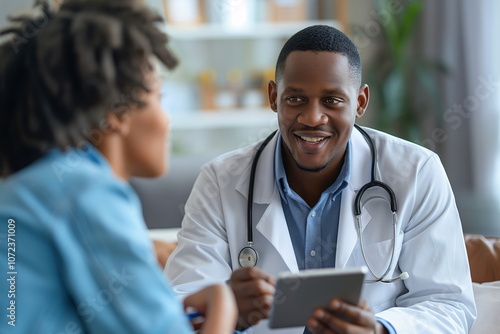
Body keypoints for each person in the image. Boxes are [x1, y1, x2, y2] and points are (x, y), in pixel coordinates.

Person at [165, 25, 476, 334]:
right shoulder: (219, 181)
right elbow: (180, 309)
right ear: (274, 97)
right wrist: (229, 308)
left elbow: (449, 305)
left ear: (360, 102)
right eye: (296, 99)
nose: (313, 118)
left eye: (332, 100)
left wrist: (380, 330)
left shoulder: (417, 173)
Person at [0, 1, 236, 333]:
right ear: (116, 113)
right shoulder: (85, 191)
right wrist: (222, 301)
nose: (167, 121)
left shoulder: (39, 187)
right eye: (160, 98)